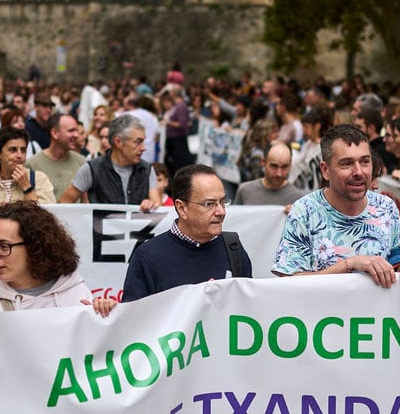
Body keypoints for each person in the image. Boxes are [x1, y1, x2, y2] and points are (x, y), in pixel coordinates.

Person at [272, 124, 400, 288]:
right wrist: (349, 265)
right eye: (347, 163)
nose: (358, 172)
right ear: (325, 170)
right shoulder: (304, 211)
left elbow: (397, 256)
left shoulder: (386, 207)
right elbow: (287, 283)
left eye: (365, 162)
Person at [121, 164, 252, 302]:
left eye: (222, 202)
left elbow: (246, 308)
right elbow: (133, 317)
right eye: (209, 204)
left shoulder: (233, 248)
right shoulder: (148, 257)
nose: (221, 211)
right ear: (182, 208)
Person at [60, 114, 160, 211]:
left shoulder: (147, 170)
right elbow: (64, 202)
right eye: (138, 142)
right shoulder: (92, 169)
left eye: (143, 142)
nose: (143, 148)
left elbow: (158, 207)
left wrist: (150, 204)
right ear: (118, 142)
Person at [0, 127, 56, 206]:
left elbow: (48, 218)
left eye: (23, 150)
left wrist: (27, 188)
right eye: (13, 150)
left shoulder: (39, 179)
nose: (20, 155)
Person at [26, 113, 86, 200]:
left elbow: (86, 202)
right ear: (55, 133)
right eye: (71, 131)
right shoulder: (32, 164)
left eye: (76, 131)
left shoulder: (82, 162)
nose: (76, 135)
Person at [234, 142, 306, 212]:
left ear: (290, 165)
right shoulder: (245, 191)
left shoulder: (299, 199)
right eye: (274, 166)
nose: (279, 173)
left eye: (284, 167)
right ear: (263, 162)